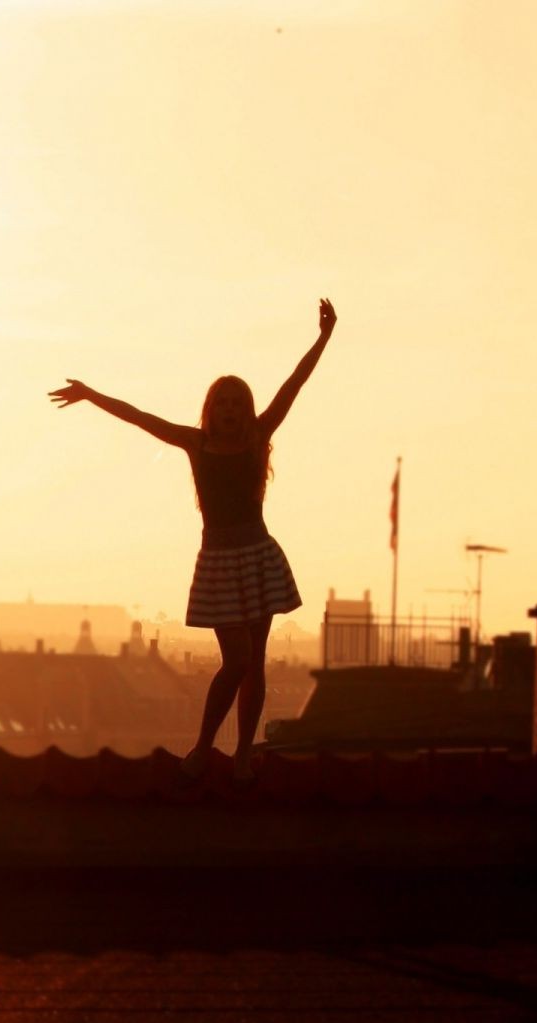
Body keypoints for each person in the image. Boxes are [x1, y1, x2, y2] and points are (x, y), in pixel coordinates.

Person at [48, 298, 336, 783]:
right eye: (220, 402)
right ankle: (203, 746)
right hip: (221, 560)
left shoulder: (258, 435)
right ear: (210, 409)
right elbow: (139, 417)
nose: (228, 410)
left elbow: (294, 385)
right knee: (238, 660)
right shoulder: (196, 444)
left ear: (245, 411)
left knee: (256, 664)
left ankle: (243, 754)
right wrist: (90, 395)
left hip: (258, 555)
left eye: (236, 402)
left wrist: (323, 338)